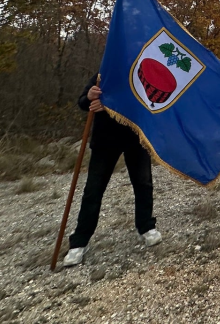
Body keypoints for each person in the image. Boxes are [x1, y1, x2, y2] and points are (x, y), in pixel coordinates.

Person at [62, 73, 162, 267]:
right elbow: (82, 102)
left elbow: (146, 104)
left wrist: (107, 104)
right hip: (105, 141)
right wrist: (90, 97)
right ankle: (79, 242)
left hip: (135, 138)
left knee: (143, 184)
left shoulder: (140, 75)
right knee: (93, 190)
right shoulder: (102, 75)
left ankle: (146, 227)